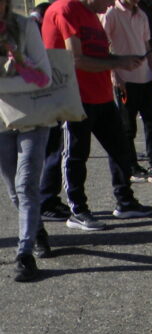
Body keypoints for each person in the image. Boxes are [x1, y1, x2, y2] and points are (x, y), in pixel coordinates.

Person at [42, 0, 152, 232]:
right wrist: (119, 62)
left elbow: (98, 54)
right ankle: (78, 211)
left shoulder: (92, 13)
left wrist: (116, 70)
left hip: (100, 95)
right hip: (75, 97)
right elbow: (76, 59)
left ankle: (125, 201)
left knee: (121, 148)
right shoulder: (66, 9)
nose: (111, 4)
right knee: (75, 154)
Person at [0, 0, 53, 280]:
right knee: (13, 190)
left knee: (26, 184)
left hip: (33, 114)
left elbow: (43, 77)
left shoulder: (25, 27)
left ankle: (24, 254)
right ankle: (36, 228)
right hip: (0, 121)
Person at [102, 0, 152, 183]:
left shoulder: (141, 14)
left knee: (151, 123)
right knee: (128, 128)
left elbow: (147, 46)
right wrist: (114, 74)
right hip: (125, 79)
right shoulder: (110, 14)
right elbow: (103, 45)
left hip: (146, 77)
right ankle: (132, 167)